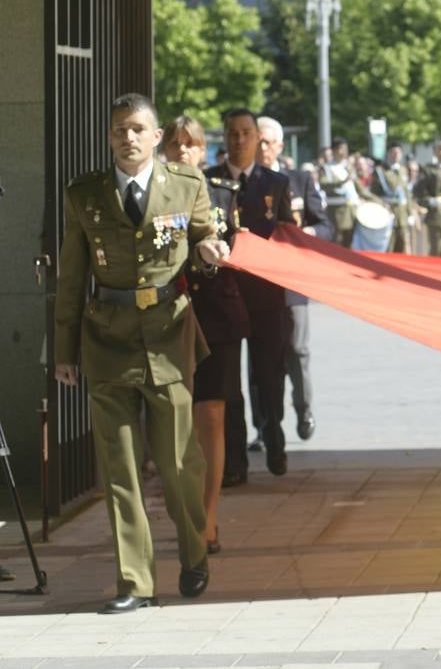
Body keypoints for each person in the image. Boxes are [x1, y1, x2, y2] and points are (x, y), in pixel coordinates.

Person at [53, 93, 225, 613]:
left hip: (169, 338)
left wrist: (210, 250)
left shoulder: (187, 184)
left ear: (156, 137)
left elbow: (203, 238)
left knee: (178, 465)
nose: (126, 138)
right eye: (117, 130)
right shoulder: (85, 195)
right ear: (109, 138)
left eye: (135, 129)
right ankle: (135, 583)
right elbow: (71, 277)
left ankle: (194, 553)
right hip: (107, 339)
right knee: (119, 469)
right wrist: (64, 350)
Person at [163, 116, 247, 556]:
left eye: (190, 145)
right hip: (169, 316)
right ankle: (185, 509)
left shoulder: (223, 194)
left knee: (212, 416)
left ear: (202, 151)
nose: (182, 152)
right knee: (176, 420)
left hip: (216, 316)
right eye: (174, 144)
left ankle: (209, 516)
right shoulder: (152, 194)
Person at [207, 108, 296, 479]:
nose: (239, 140)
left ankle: (274, 439)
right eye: (232, 133)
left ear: (258, 137)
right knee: (227, 384)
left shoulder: (275, 183)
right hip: (223, 297)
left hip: (265, 298)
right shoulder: (207, 181)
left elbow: (289, 235)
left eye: (245, 133)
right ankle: (235, 463)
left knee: (268, 377)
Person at [258, 117, 330, 443]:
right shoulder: (244, 184)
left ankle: (304, 408)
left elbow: (325, 226)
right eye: (257, 142)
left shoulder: (300, 180)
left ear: (279, 146)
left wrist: (306, 234)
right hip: (258, 284)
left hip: (292, 284)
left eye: (267, 142)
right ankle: (264, 426)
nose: (262, 148)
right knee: (260, 358)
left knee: (297, 351)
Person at [318, 138, 359, 247]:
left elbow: (359, 188)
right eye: (341, 149)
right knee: (337, 241)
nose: (344, 152)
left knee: (349, 241)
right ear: (334, 150)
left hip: (351, 210)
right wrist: (341, 182)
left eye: (346, 149)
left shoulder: (349, 167)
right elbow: (323, 184)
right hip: (336, 211)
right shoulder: (326, 168)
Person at [371, 144, 411, 253]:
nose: (395, 155)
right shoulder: (380, 171)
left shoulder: (403, 170)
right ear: (388, 154)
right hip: (388, 211)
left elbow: (407, 193)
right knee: (389, 245)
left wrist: (410, 213)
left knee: (402, 244)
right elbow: (374, 193)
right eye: (393, 152)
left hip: (402, 214)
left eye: (398, 153)